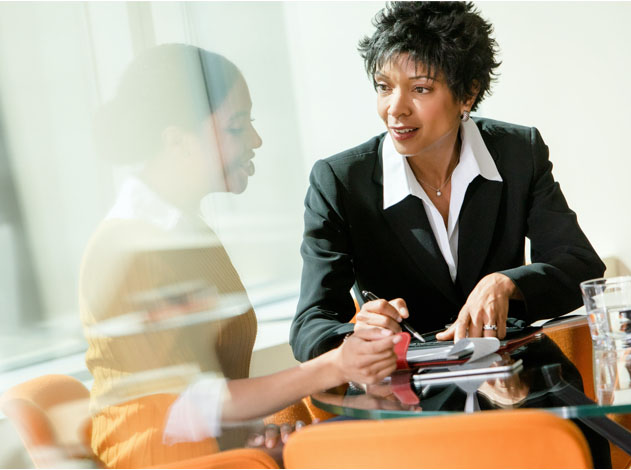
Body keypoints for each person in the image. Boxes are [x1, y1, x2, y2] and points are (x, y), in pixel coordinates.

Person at [80, 44, 401, 469]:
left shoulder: (183, 230)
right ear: (177, 141)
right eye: (236, 127)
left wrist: (248, 433)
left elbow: (202, 390)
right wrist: (337, 365)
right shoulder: (132, 248)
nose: (256, 139)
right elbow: (186, 404)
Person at [290, 0, 604, 388]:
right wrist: (358, 335)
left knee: (576, 437)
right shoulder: (339, 180)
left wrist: (506, 282)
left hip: (514, 377)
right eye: (384, 87)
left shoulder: (517, 152)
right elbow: (310, 324)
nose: (395, 109)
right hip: (406, 390)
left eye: (420, 88)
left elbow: (580, 266)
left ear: (467, 94)